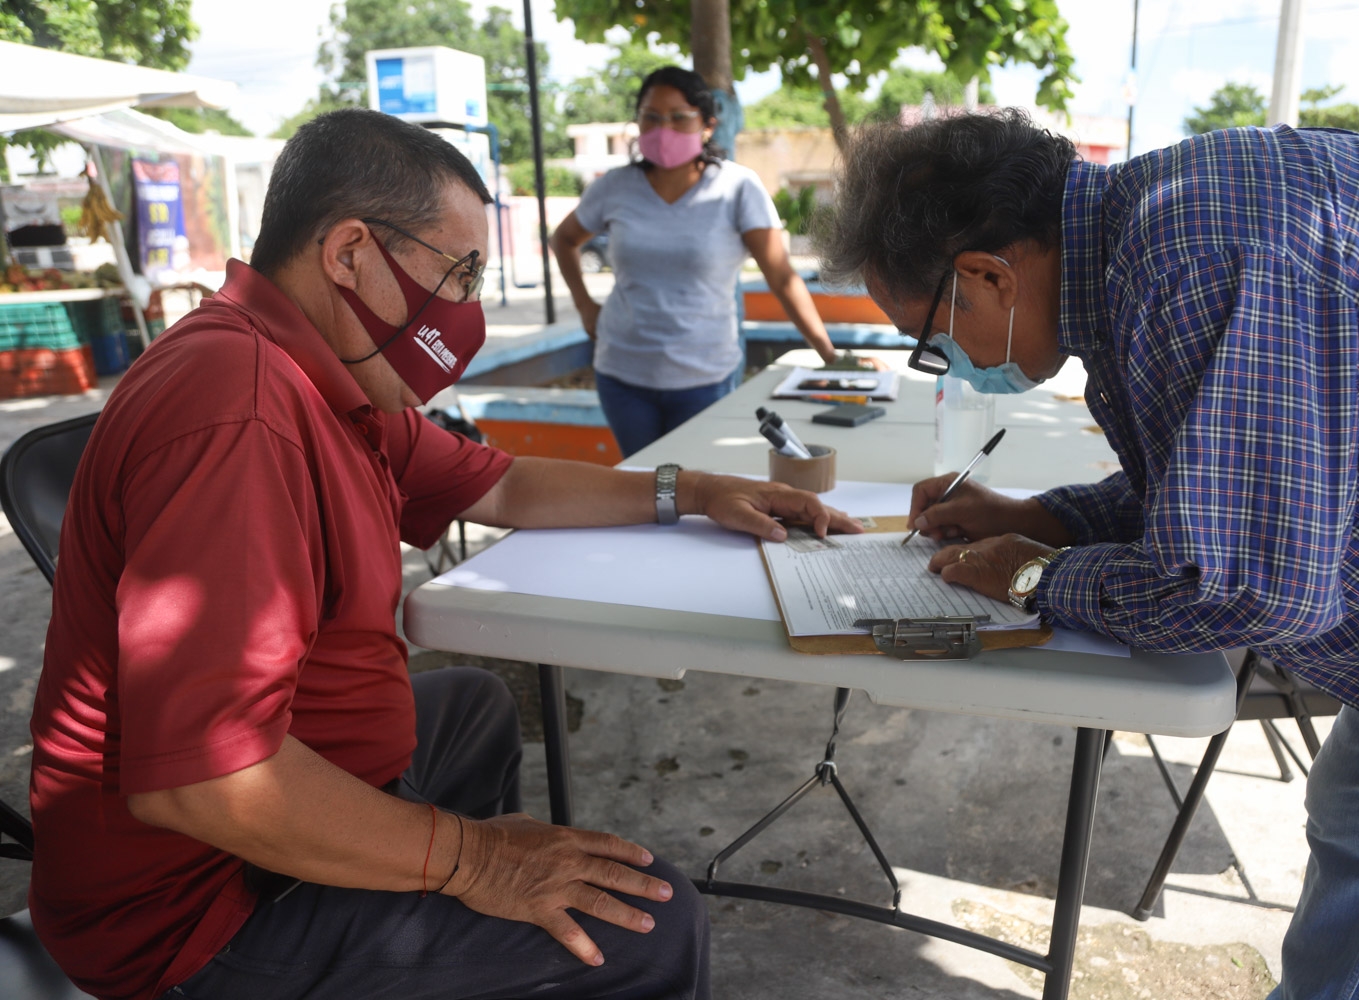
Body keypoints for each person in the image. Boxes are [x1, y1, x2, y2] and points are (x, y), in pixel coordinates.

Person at [28, 107, 861, 1000]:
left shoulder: (328, 377)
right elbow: (208, 779)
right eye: (458, 273)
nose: (465, 309)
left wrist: (690, 490)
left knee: (467, 706)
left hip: (281, 798)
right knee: (649, 929)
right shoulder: (239, 413)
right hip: (199, 908)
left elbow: (501, 486)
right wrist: (473, 861)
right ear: (349, 254)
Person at [814, 109, 1359, 999]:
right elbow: (1234, 475)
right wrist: (1048, 516)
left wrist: (1032, 575)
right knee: (1351, 831)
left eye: (932, 344)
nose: (949, 368)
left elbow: (1250, 588)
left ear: (987, 275)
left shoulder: (1202, 256)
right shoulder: (1155, 239)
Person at [551, 66, 855, 458]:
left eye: (679, 117)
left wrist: (829, 355)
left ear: (707, 125)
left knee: (697, 489)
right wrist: (584, 306)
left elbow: (781, 276)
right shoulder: (614, 188)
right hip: (622, 373)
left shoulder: (737, 188)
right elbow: (563, 240)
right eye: (652, 117)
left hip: (705, 376)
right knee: (643, 486)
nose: (664, 128)